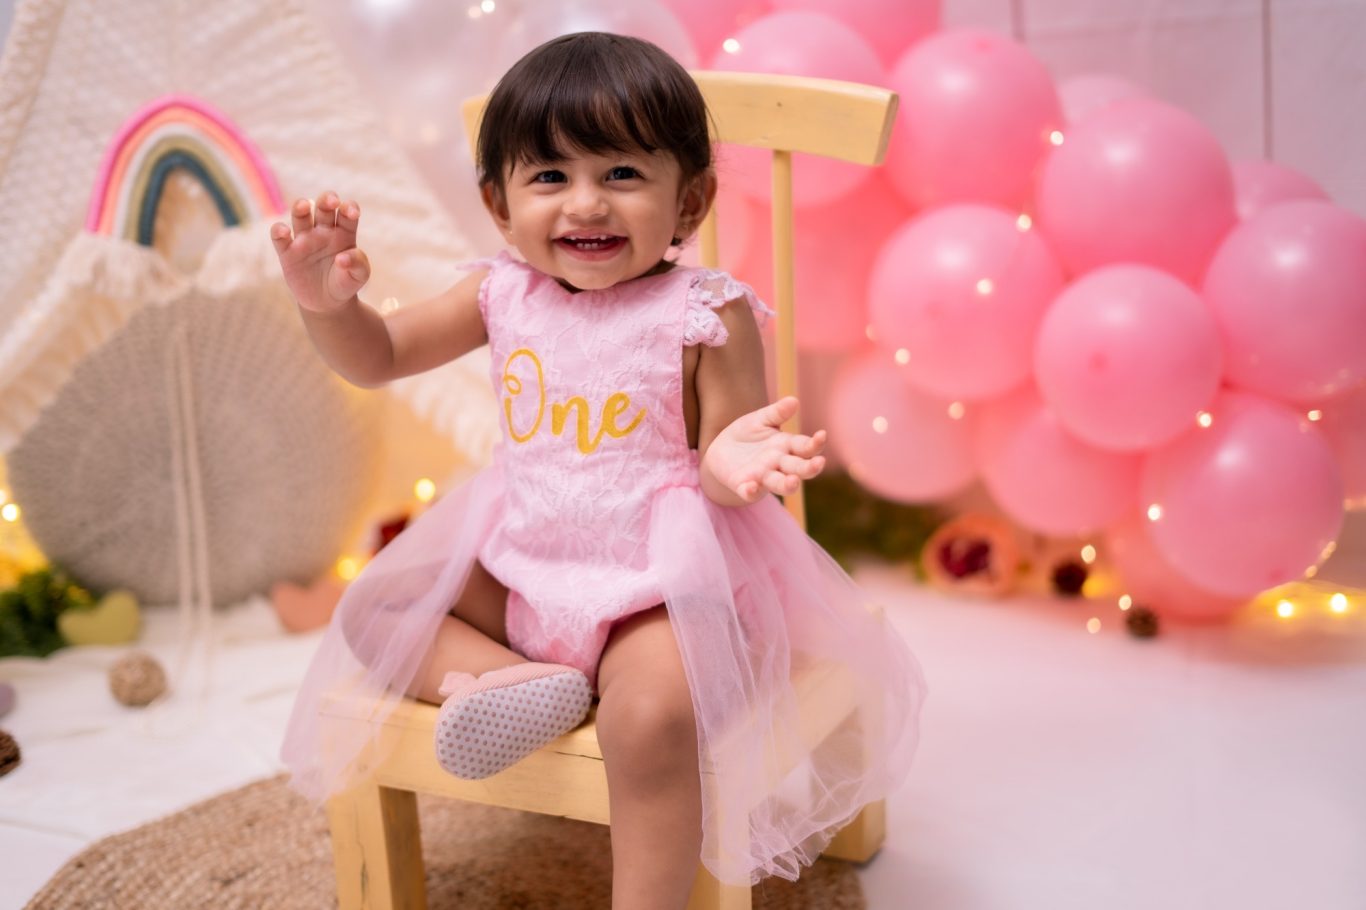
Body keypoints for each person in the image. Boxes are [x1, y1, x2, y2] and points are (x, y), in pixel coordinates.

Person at [274, 31, 924, 909]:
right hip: (524, 563)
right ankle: (510, 682)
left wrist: (732, 460)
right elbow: (380, 354)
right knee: (380, 603)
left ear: (689, 200)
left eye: (622, 174)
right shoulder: (498, 292)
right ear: (499, 207)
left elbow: (728, 464)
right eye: (550, 177)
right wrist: (328, 306)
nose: (587, 204)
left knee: (650, 719)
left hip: (656, 586)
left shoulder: (705, 311)